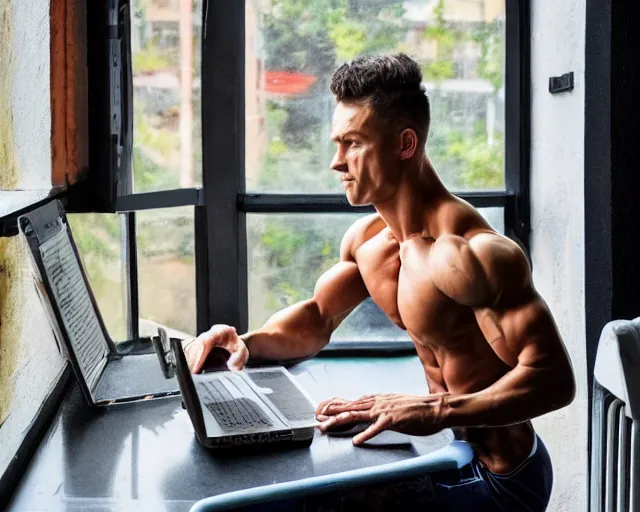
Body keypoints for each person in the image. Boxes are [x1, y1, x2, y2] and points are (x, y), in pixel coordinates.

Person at [184, 53, 576, 511]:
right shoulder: (369, 241)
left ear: (405, 144)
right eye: (337, 143)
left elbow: (554, 381)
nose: (336, 162)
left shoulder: (472, 253)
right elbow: (317, 317)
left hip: (503, 480)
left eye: (353, 143)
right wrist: (244, 344)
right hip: (454, 454)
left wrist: (430, 410)